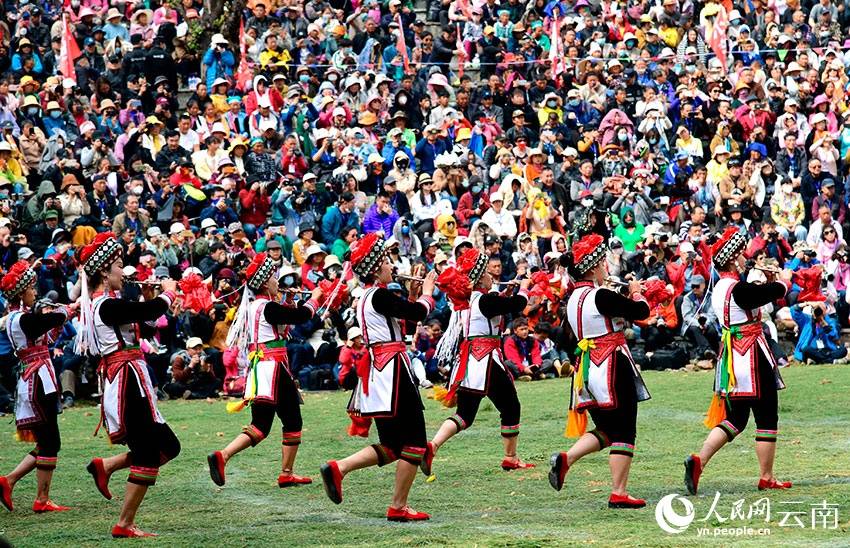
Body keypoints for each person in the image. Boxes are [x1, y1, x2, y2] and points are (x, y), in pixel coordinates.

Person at [320, 233, 438, 522]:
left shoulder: (366, 297)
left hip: (378, 373)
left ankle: (340, 467)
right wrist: (428, 292)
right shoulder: (380, 295)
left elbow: (401, 316)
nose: (390, 265)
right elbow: (416, 313)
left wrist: (411, 293)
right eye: (385, 261)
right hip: (393, 371)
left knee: (393, 445)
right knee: (415, 442)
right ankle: (398, 506)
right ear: (375, 269)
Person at [77, 232, 181, 538]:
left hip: (131, 377)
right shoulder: (106, 305)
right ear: (104, 272)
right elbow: (148, 313)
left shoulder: (111, 304)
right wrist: (168, 294)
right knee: (149, 453)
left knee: (169, 446)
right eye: (120, 265)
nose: (124, 271)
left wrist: (153, 298)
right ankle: (124, 523)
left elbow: (146, 320)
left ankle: (106, 466)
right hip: (126, 383)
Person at [683, 227, 794, 497]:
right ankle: (766, 476)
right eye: (741, 255)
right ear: (733, 259)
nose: (746, 258)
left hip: (732, 357)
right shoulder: (738, 287)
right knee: (767, 415)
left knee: (736, 418)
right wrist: (782, 281)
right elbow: (763, 296)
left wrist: (765, 282)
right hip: (751, 354)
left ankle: (701, 461)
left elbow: (753, 297)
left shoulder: (721, 286)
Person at [548, 233, 651, 509]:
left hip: (587, 369)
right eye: (603, 262)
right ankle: (619, 491)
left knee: (606, 427)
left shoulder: (572, 298)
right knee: (625, 428)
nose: (606, 266)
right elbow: (640, 311)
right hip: (612, 364)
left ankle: (566, 459)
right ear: (593, 267)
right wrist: (637, 291)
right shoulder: (600, 295)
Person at [208, 253, 324, 488]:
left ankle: (227, 456)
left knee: (265, 423)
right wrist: (315, 299)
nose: (276, 281)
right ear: (263, 282)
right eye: (273, 277)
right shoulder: (267, 306)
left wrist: (289, 302)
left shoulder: (256, 306)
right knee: (288, 420)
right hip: (274, 368)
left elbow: (282, 323)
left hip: (264, 368)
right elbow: (300, 317)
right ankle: (283, 471)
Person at [422, 248, 533, 476]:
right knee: (511, 406)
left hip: (469, 360)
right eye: (486, 273)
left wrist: (506, 293)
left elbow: (499, 306)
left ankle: (432, 446)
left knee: (465, 414)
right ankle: (510, 458)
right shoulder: (484, 300)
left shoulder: (468, 301)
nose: (491, 277)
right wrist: (523, 288)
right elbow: (516, 305)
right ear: (479, 275)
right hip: (486, 359)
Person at [0, 262, 75, 513]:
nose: (35, 292)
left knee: (48, 440)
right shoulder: (20, 318)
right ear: (21, 293)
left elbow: (45, 337)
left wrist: (60, 321)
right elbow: (45, 323)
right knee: (50, 440)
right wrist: (64, 312)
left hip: (37, 377)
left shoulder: (17, 319)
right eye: (31, 288)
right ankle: (30, 492)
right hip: (38, 380)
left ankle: (17, 486)